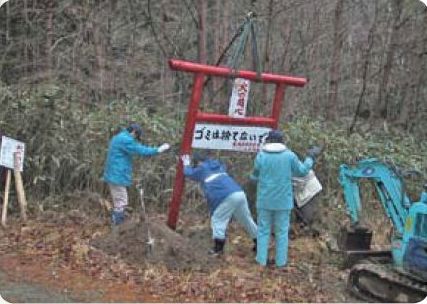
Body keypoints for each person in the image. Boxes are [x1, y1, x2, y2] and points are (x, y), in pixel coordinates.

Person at [250, 129, 321, 267]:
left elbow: (254, 176)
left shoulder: (261, 156)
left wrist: (257, 178)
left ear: (268, 141)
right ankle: (280, 263)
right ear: (283, 141)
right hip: (283, 201)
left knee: (263, 230)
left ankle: (261, 261)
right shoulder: (289, 156)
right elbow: (302, 171)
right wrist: (310, 158)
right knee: (282, 232)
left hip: (264, 200)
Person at [181, 152, 257, 256]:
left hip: (226, 196)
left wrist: (186, 164)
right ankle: (260, 243)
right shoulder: (217, 165)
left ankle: (218, 249)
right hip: (239, 193)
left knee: (217, 219)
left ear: (198, 162)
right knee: (246, 220)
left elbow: (189, 173)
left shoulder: (202, 168)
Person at [103, 123, 170, 225]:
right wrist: (157, 150)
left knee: (119, 201)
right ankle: (117, 225)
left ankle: (117, 222)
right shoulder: (125, 140)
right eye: (136, 136)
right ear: (133, 132)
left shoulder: (119, 137)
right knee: (122, 201)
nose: (135, 139)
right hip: (116, 175)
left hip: (114, 174)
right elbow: (140, 150)